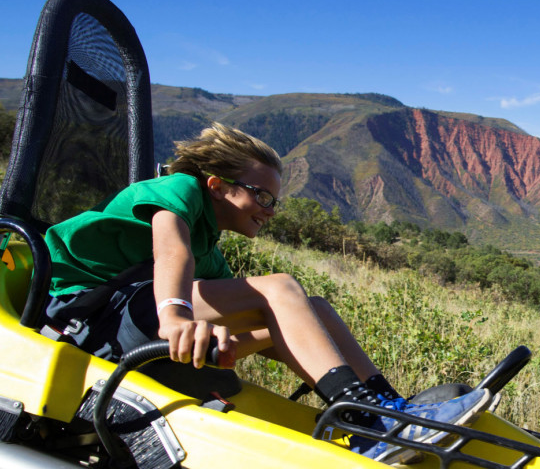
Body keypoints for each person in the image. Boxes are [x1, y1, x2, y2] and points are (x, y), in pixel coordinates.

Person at [42, 122, 491, 464]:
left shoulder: (210, 248)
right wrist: (176, 318)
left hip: (129, 318)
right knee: (278, 287)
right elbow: (170, 252)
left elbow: (274, 327)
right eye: (263, 197)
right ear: (217, 185)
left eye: (275, 202)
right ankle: (367, 424)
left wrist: (239, 343)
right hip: (85, 316)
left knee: (310, 308)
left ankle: (391, 412)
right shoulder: (179, 191)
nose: (270, 211)